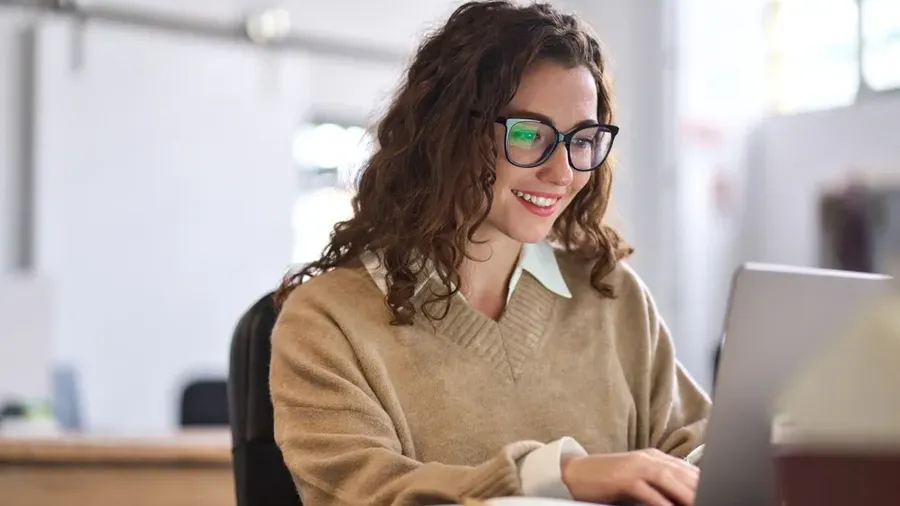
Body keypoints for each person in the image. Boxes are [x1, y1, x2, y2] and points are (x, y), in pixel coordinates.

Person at [269, 2, 711, 506]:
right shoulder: (327, 321)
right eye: (528, 134)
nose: (563, 172)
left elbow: (698, 450)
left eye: (582, 139)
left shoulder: (613, 296)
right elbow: (367, 492)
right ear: (446, 133)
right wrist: (559, 475)